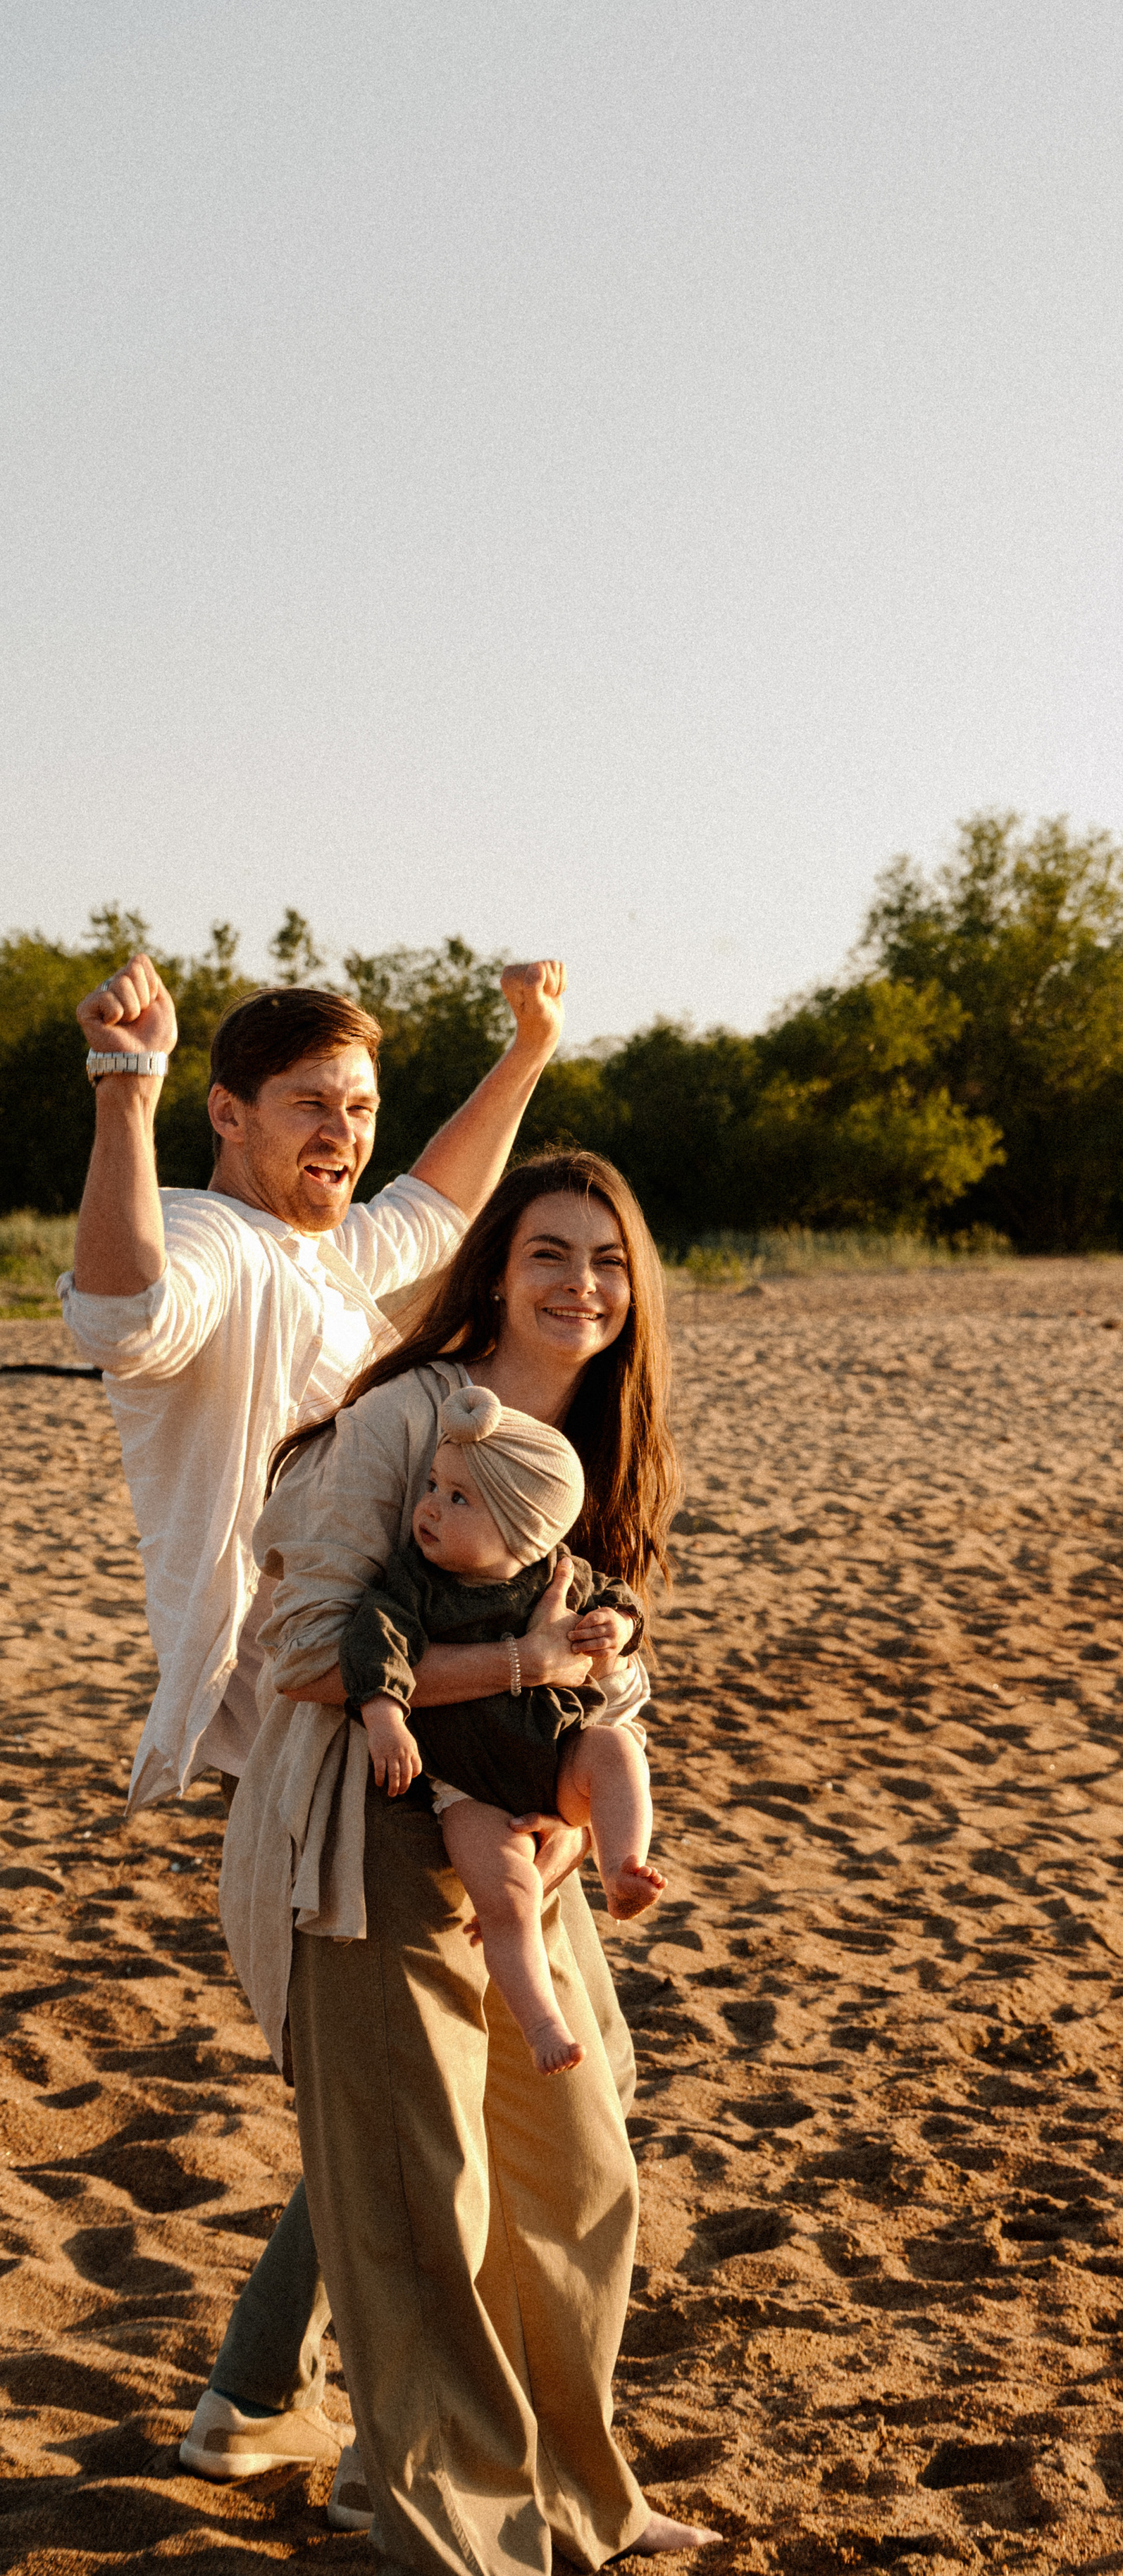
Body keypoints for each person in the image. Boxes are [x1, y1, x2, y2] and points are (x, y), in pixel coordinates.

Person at [58, 951, 601, 2516]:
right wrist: (122, 1091)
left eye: (358, 1107)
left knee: (403, 2071)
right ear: (231, 1113)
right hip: (305, 1716)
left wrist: (529, 1048)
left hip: (391, 1704)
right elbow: (118, 1308)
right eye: (313, 1106)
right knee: (404, 2081)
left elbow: (435, 1201)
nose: (345, 1133)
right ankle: (336, 2420)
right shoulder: (221, 1243)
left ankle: (254, 2389)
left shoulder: (331, 1255)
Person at [221, 1151, 718, 2569]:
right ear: (495, 1268)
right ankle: (462, 2521)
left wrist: (583, 1806)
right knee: (423, 2198)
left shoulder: (610, 1444)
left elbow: (608, 1672)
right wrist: (508, 1658)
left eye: (607, 1259)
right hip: (366, 1832)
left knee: (577, 2170)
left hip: (525, 1842)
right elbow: (302, 1649)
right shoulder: (406, 1419)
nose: (580, 1284)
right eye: (548, 1252)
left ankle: (574, 2496)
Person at [345, 1382, 666, 2075]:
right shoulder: (416, 1583)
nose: (428, 1507)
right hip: (470, 1791)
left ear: (524, 1529)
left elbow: (623, 1603)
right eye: (433, 1484)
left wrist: (618, 1628)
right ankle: (541, 2019)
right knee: (506, 1897)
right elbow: (375, 1643)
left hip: (557, 1757)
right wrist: (384, 1715)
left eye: (458, 1498)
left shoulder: (559, 1573)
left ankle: (622, 1867)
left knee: (616, 1749)